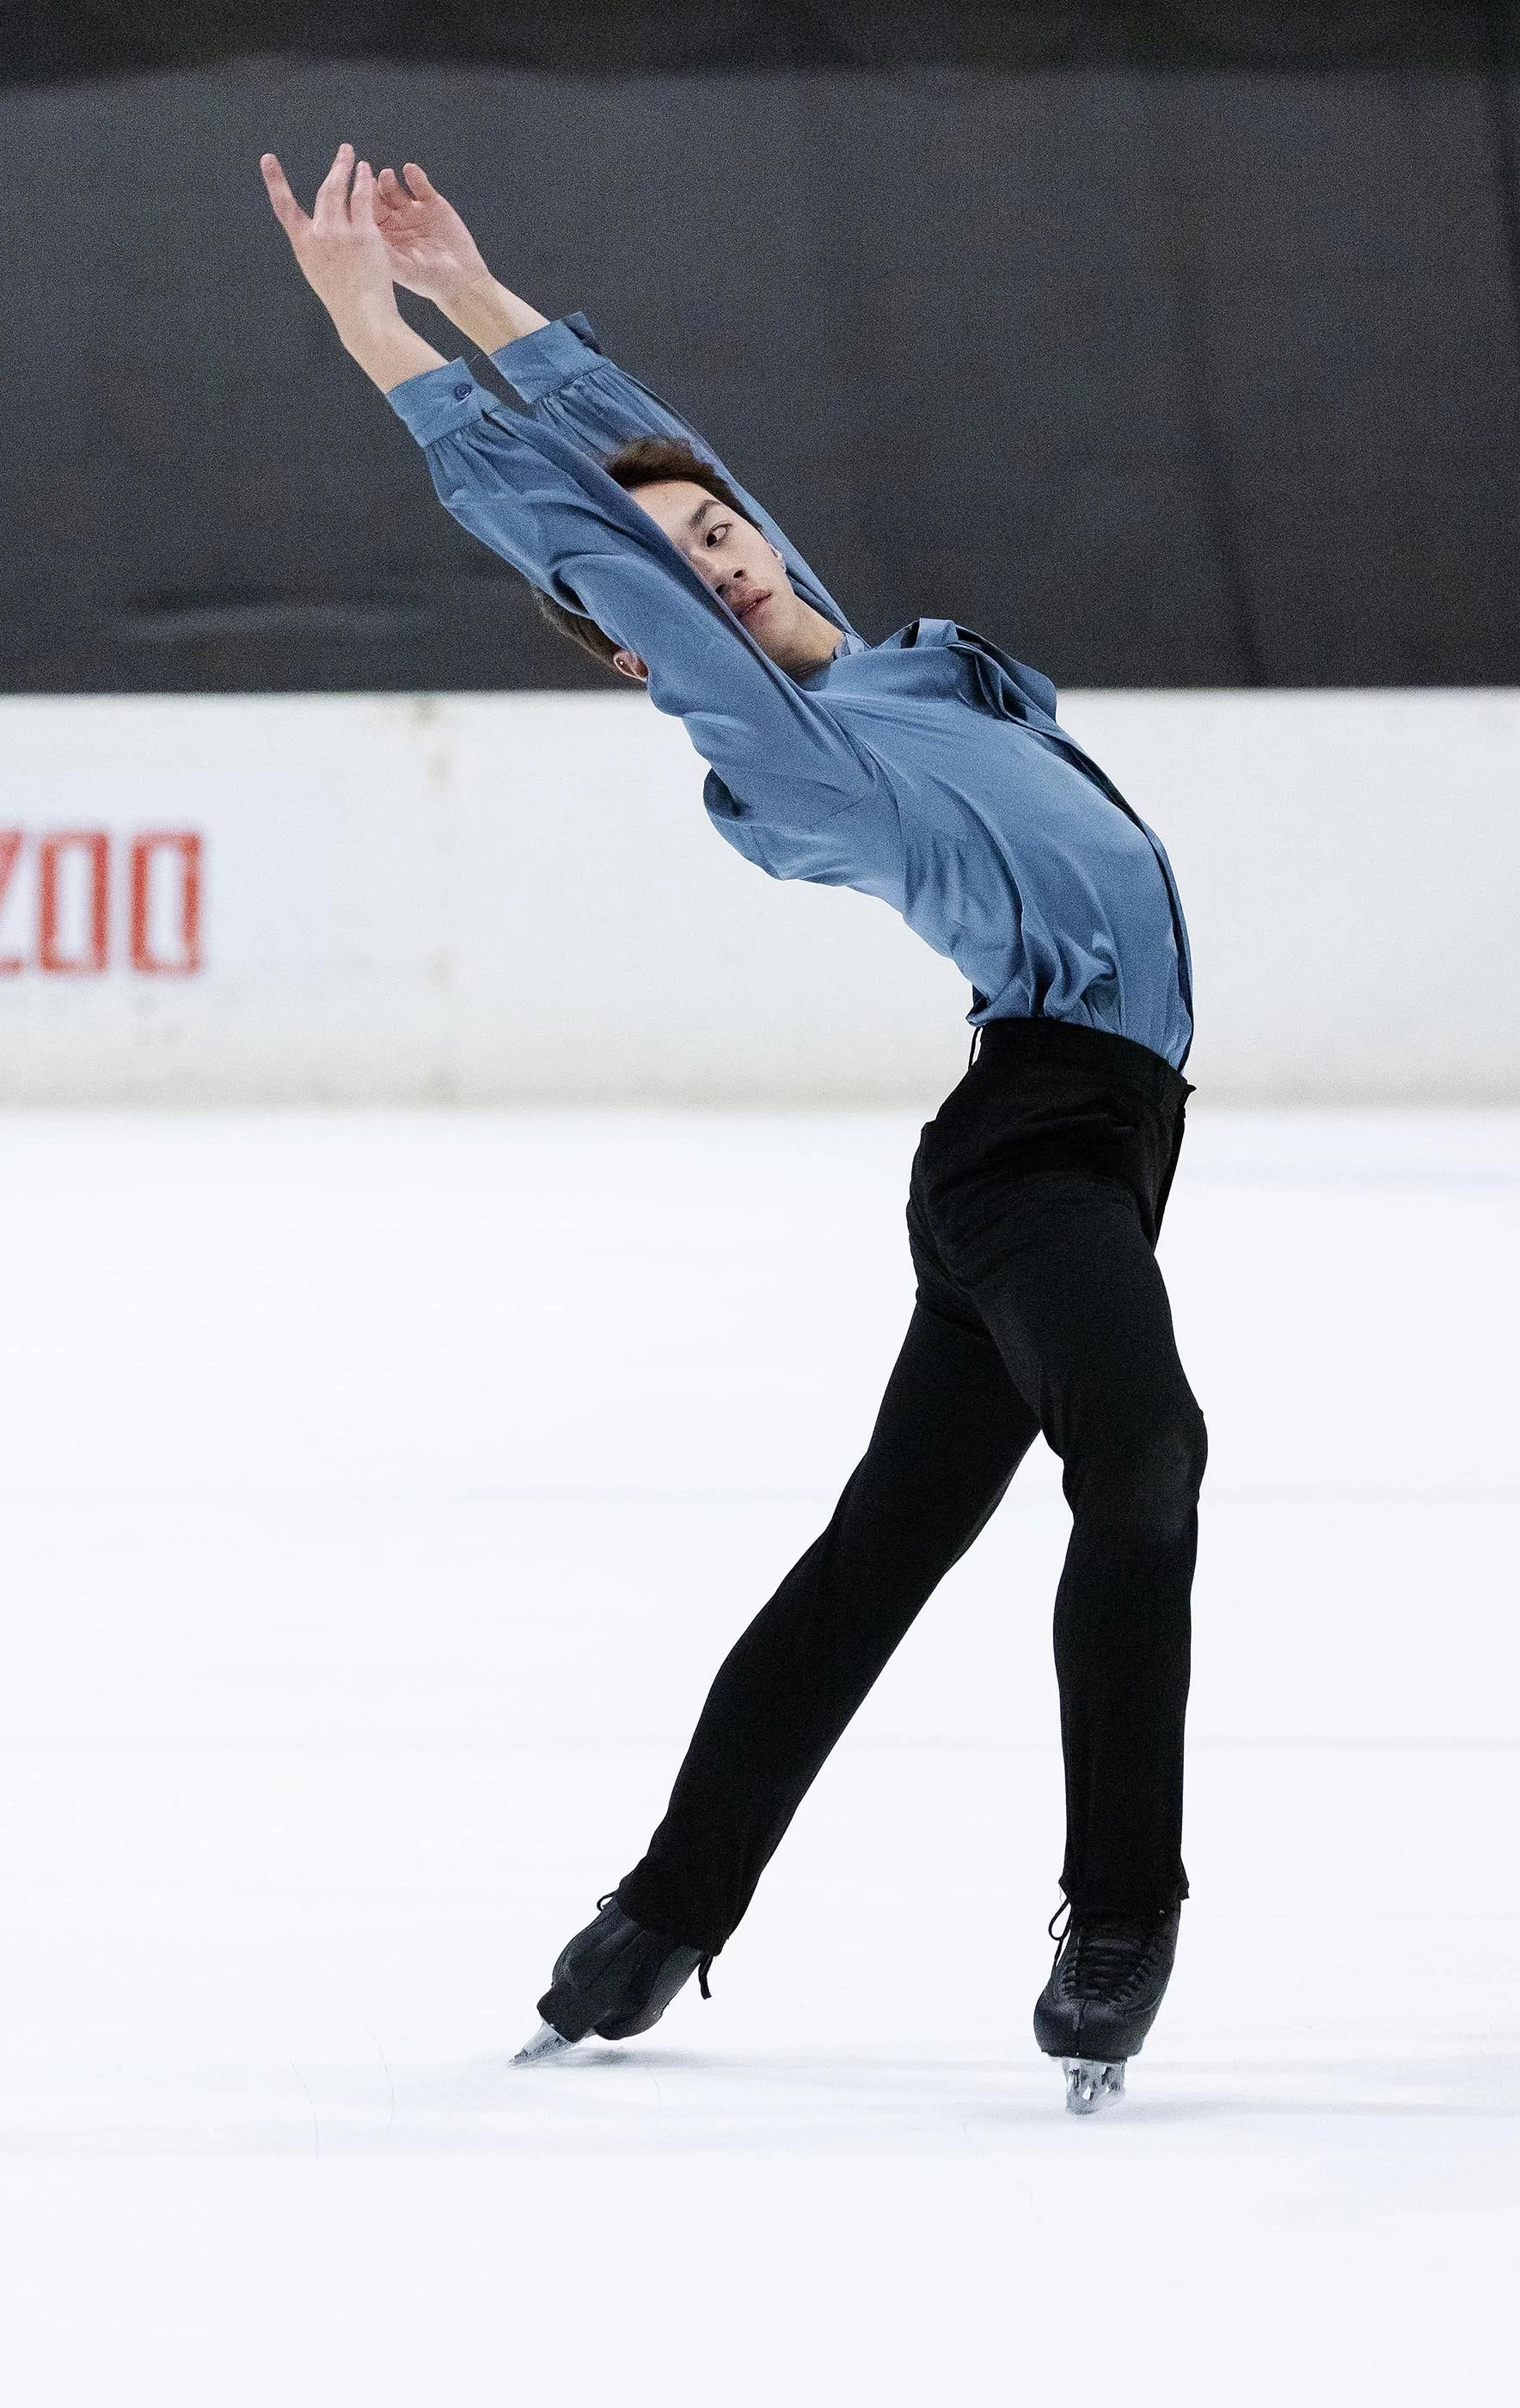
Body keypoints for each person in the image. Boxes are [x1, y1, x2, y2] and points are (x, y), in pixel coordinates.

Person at [261, 144, 1207, 2115]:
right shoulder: (802, 752)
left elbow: (668, 486)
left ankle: (650, 1922)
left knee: (874, 1559)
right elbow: (600, 545)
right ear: (652, 652)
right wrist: (377, 335)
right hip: (1034, 1147)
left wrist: (484, 297)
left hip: (1085, 1148)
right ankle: (1120, 1915)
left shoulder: (877, 663)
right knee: (1141, 1449)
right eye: (697, 580)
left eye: (736, 536)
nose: (730, 560)